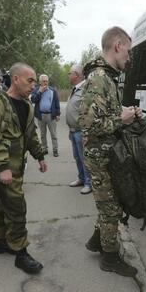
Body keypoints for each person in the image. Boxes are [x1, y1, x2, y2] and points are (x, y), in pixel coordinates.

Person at [79, 26, 142, 277]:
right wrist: (122, 120)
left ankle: (97, 240)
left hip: (106, 154)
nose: (129, 55)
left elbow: (102, 115)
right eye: (128, 49)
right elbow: (88, 124)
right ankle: (110, 258)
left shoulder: (107, 77)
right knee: (110, 209)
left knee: (110, 205)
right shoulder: (99, 78)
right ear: (117, 45)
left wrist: (125, 112)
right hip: (100, 156)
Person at [0, 62, 46, 274]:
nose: (33, 85)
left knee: (3, 204)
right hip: (4, 168)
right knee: (17, 207)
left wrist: (39, 156)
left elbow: (30, 134)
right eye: (30, 80)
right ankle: (20, 252)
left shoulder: (26, 105)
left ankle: (1, 242)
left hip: (16, 167)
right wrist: (2, 166)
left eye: (35, 81)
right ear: (16, 79)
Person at [65, 64, 92, 195]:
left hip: (81, 131)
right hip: (73, 130)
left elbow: (88, 112)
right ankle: (81, 179)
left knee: (84, 158)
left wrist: (86, 132)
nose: (68, 76)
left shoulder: (86, 89)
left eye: (70, 73)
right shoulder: (75, 89)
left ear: (76, 75)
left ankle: (88, 183)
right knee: (77, 157)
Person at [30, 74, 60, 156]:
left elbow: (57, 102)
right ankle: (44, 149)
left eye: (46, 81)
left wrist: (58, 114)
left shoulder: (52, 90)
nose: (45, 83)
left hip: (51, 115)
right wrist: (40, 92)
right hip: (41, 116)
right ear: (40, 82)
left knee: (53, 134)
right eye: (43, 81)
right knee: (43, 135)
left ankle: (55, 150)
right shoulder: (36, 90)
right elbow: (33, 100)